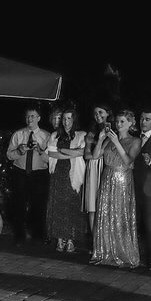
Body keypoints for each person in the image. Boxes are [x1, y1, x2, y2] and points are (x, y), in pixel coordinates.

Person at [90, 110, 141, 268]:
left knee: (120, 214)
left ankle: (123, 253)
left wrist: (117, 142)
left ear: (130, 123)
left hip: (122, 178)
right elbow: (95, 156)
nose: (118, 125)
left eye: (122, 122)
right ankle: (105, 251)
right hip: (107, 177)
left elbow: (128, 161)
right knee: (106, 213)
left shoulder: (135, 140)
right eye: (117, 121)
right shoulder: (109, 139)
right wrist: (100, 140)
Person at [6, 106, 50, 244]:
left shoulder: (47, 136)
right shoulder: (18, 134)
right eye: (27, 116)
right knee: (18, 204)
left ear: (39, 118)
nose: (29, 119)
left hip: (39, 173)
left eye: (32, 116)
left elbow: (50, 159)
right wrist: (19, 151)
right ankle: (19, 235)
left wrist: (40, 150)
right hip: (20, 172)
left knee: (39, 205)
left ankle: (39, 235)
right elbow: (9, 155)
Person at [45, 108, 87, 253]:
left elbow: (83, 152)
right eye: (64, 118)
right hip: (58, 173)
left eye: (69, 118)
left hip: (74, 174)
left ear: (74, 119)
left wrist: (61, 151)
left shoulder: (81, 135)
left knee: (71, 206)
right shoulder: (56, 135)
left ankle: (70, 239)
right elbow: (51, 153)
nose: (66, 121)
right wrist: (71, 153)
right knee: (58, 206)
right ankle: (59, 239)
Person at [133, 108, 151, 270]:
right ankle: (133, 255)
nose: (143, 122)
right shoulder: (135, 136)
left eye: (147, 119)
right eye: (141, 118)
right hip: (134, 183)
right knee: (134, 220)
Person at [83, 104, 112, 240]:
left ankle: (105, 241)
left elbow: (97, 154)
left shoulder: (112, 132)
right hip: (92, 168)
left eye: (101, 112)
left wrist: (97, 144)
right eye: (95, 113)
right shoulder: (92, 132)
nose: (98, 115)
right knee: (92, 206)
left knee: (104, 205)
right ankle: (95, 241)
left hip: (105, 167)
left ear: (108, 113)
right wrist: (95, 145)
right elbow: (88, 155)